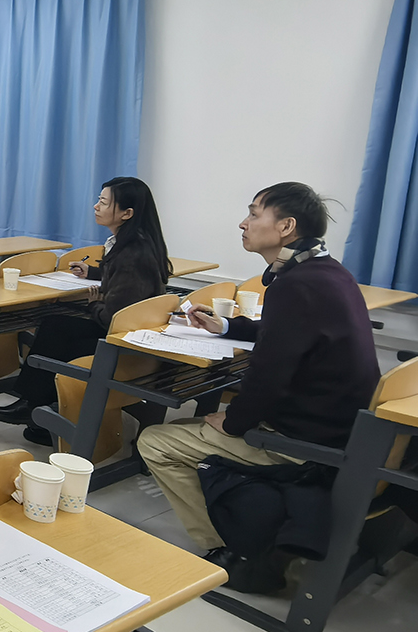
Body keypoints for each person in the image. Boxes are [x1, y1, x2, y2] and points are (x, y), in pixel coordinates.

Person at [139, 183, 378, 567]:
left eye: (253, 214)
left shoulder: (296, 284)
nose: (243, 223)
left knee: (155, 441)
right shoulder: (328, 272)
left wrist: (233, 422)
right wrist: (226, 327)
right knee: (192, 426)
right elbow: (285, 333)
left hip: (305, 444)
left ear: (286, 226)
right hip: (342, 431)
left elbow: (268, 376)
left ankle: (234, 551)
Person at [0, 177, 173, 445]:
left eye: (104, 202)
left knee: (56, 331)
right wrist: (95, 273)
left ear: (127, 213)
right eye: (99, 200)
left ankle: (35, 404)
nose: (96, 206)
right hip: (130, 334)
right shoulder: (136, 242)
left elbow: (112, 317)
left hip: (122, 344)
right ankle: (37, 406)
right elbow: (127, 281)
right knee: (56, 324)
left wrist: (94, 304)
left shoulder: (132, 252)